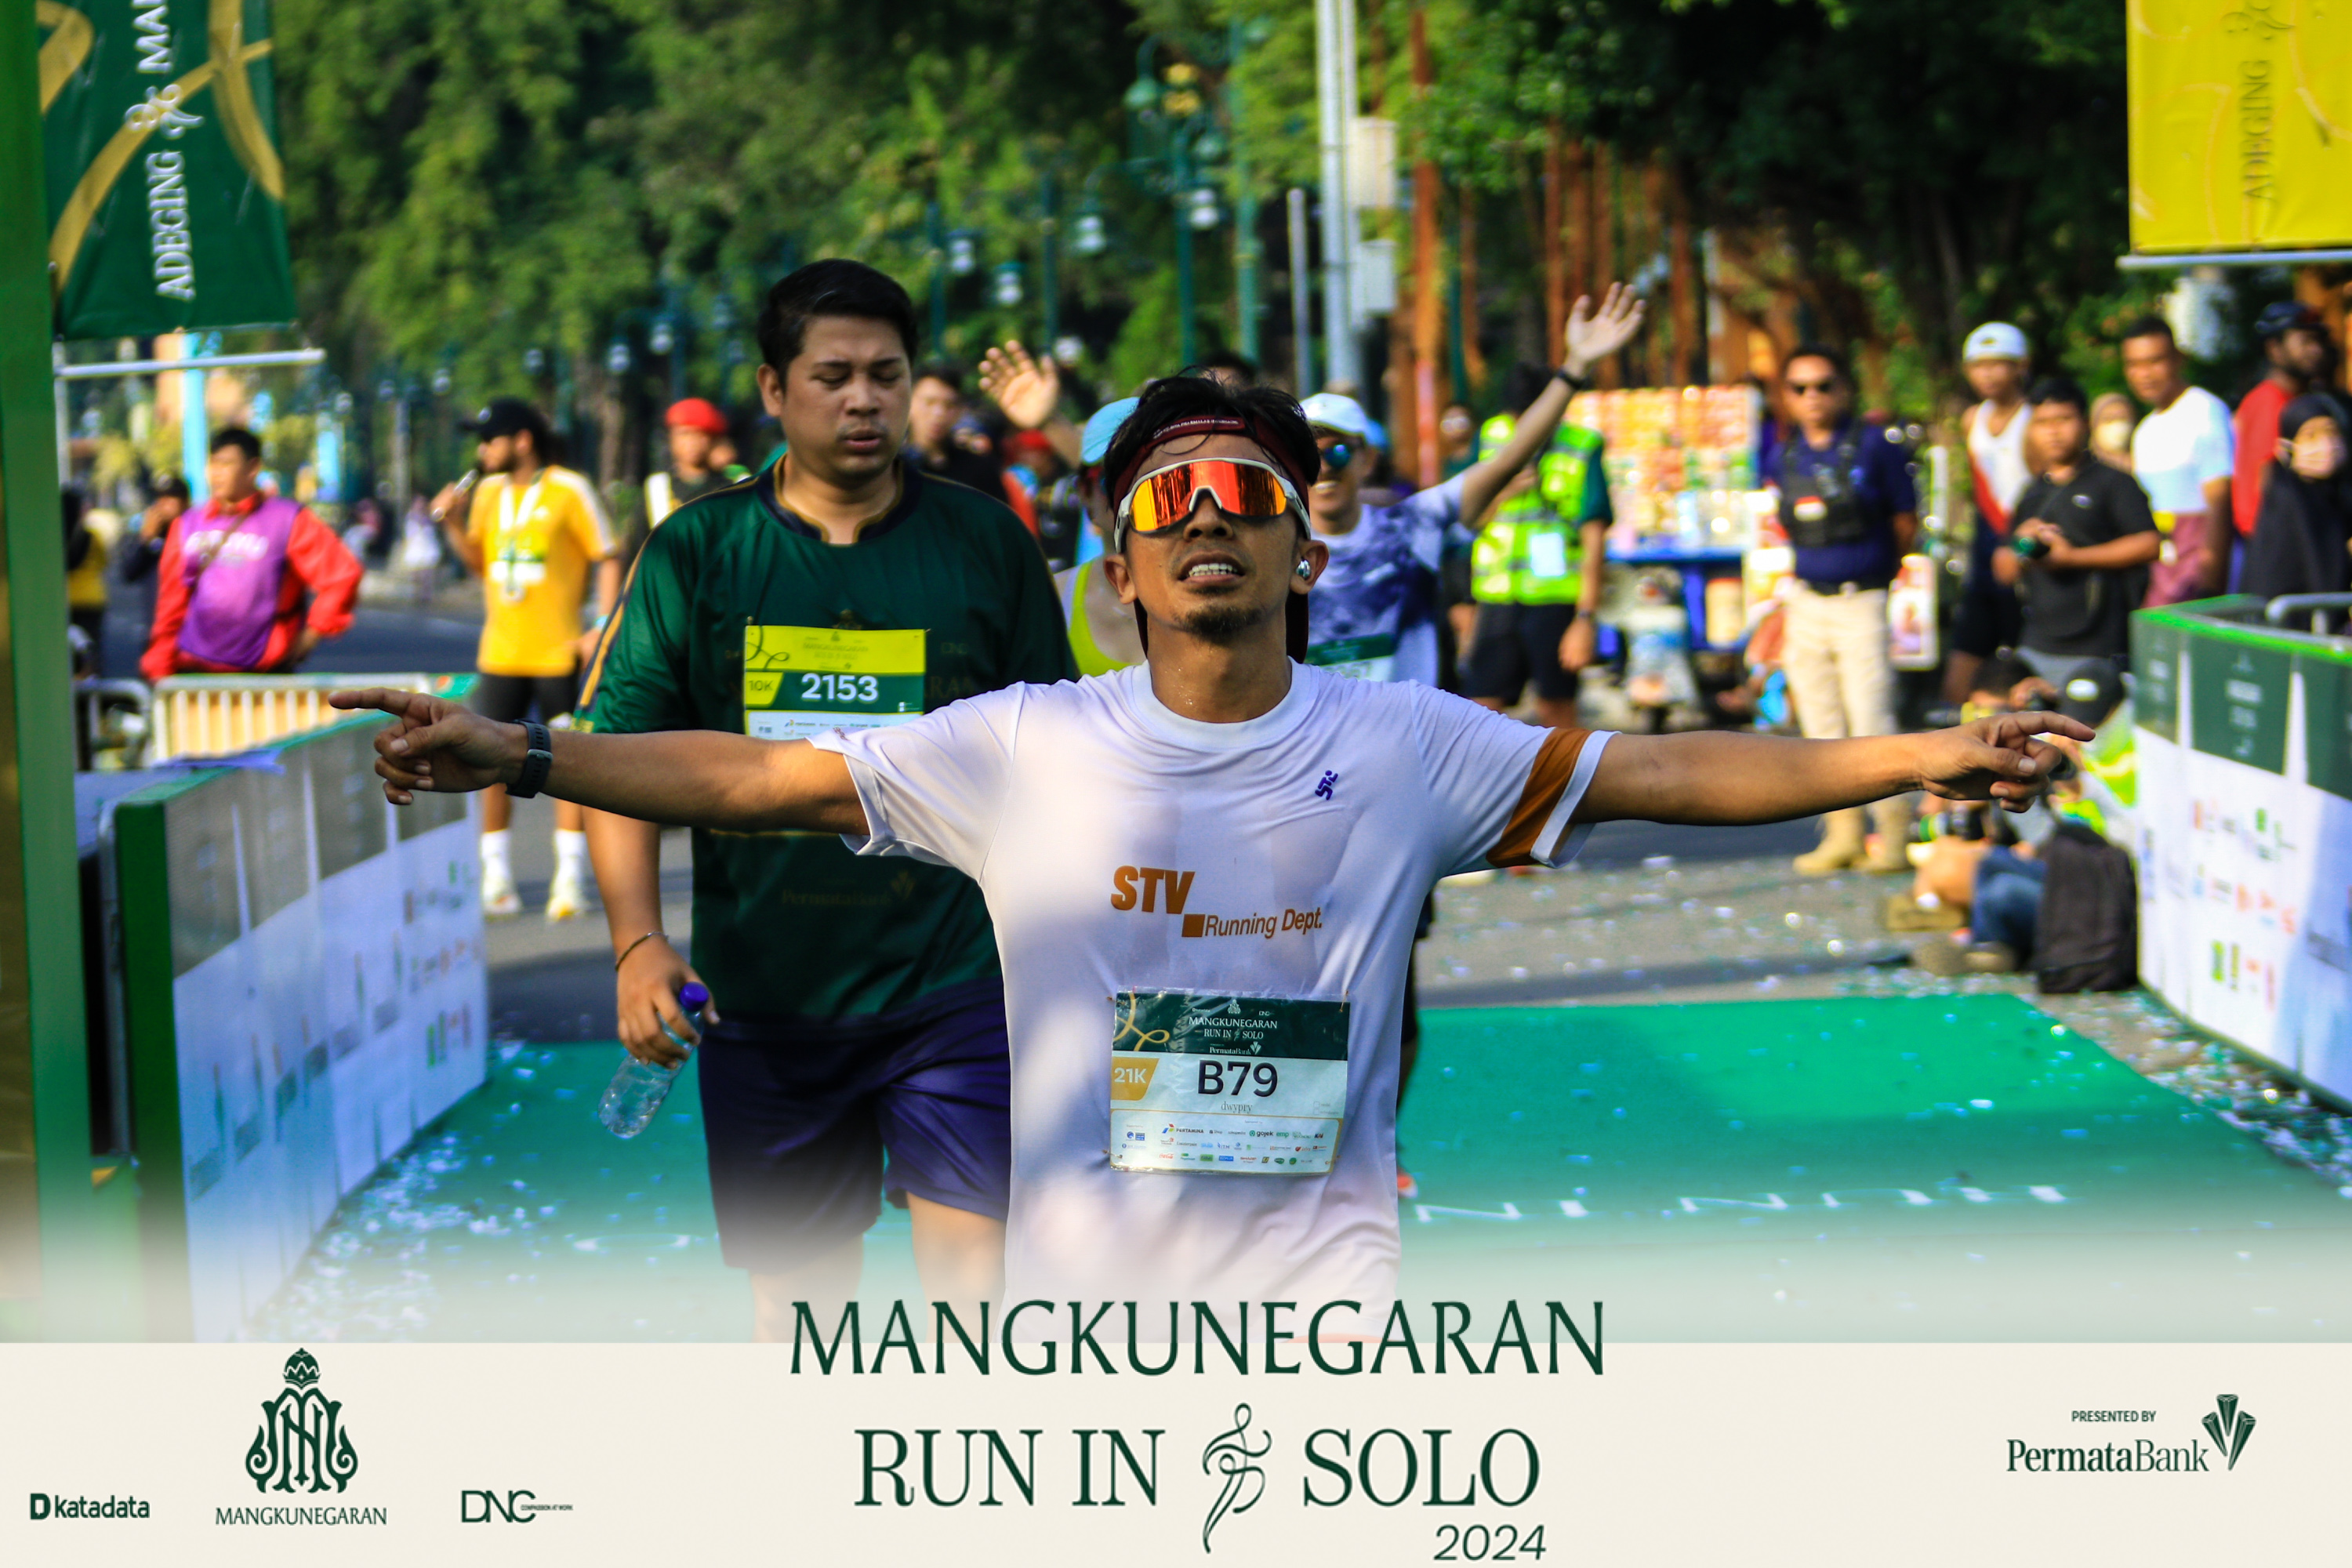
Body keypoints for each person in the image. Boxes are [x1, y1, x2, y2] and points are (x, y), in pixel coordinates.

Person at [337, 372, 2087, 1319]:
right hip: (1078, 1321)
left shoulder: (1404, 743)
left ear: (1303, 551)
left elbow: (1672, 772)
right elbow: (759, 779)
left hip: (1330, 1305)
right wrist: (527, 751)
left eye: (1245, 493)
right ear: (1116, 566)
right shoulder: (1023, 745)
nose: (1207, 521)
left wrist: (1935, 746)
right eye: (1165, 500)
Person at [575, 260, 1073, 1336]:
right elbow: (619, 758)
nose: (863, 400)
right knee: (798, 1323)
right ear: (773, 387)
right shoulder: (698, 551)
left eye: (886, 376)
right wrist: (636, 943)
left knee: (973, 1305)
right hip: (766, 1000)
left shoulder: (987, 542)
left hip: (960, 987)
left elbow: (1058, 759)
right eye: (833, 376)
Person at [1300, 286, 1646, 1200]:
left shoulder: (1410, 528)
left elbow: (1509, 459)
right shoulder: (1265, 547)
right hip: (1291, 801)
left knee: (1389, 992)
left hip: (1389, 803)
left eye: (1340, 450)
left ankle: (1373, 1145)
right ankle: (1291, 1148)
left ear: (1367, 457)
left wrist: (1573, 372)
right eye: (1307, 452)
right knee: (1295, 987)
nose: (1325, 467)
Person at [431, 397, 619, 922]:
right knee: (487, 760)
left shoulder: (569, 489)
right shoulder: (488, 493)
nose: (482, 450)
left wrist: (601, 626)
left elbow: (607, 554)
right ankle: (496, 877)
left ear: (522, 441)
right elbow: (481, 563)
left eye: (490, 439)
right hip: (502, 650)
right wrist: (454, 524)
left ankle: (570, 878)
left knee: (568, 763)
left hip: (558, 650)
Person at [1771, 344, 1920, 875]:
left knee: (1871, 717)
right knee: (1820, 725)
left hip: (1862, 598)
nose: (1813, 397)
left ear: (1844, 390)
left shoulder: (1874, 445)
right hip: (1807, 599)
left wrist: (1883, 572)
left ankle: (1895, 834)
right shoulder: (1785, 454)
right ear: (1787, 396)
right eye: (1800, 388)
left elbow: (1905, 519)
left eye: (1824, 385)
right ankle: (1842, 835)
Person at [1457, 361, 1617, 731]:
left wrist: (1585, 619)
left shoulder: (1582, 445)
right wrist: (1505, 489)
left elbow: (1594, 540)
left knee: (1555, 708)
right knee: (1480, 709)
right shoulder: (1492, 437)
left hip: (1555, 600)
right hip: (1497, 597)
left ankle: (1568, 771)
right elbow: (1466, 517)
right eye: (1518, 418)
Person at [140, 429, 361, 684]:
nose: (217, 473)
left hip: (264, 680)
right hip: (195, 677)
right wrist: (160, 668)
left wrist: (310, 636)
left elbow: (342, 575)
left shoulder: (287, 519)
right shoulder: (188, 525)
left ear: (252, 468)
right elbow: (171, 605)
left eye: (227, 464)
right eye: (213, 464)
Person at [1991, 378, 2160, 676]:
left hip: (2100, 645)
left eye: (2064, 419)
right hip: (2036, 643)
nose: (2053, 431)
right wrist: (2023, 544)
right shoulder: (2030, 494)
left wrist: (2072, 558)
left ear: (2084, 423)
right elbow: (2003, 570)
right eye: (2043, 422)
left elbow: (2149, 544)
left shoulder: (2114, 482)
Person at [1946, 321, 2032, 702]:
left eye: (1998, 364)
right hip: (1985, 549)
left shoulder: (2034, 419)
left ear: (2020, 366)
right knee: (1960, 673)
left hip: (2024, 549)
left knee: (2023, 670)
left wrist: (2019, 544)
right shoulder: (1972, 420)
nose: (1988, 374)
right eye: (1979, 366)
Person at [2121, 316, 2234, 604]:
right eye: (2134, 364)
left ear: (2178, 359)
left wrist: (2210, 588)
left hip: (2197, 584)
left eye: (2154, 361)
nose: (2145, 374)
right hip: (2163, 581)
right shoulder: (2144, 430)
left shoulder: (2205, 411)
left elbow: (2219, 503)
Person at [2233, 302, 2336, 543]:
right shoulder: (2271, 402)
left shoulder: (2296, 399)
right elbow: (2266, 482)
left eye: (2318, 341)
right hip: (2274, 540)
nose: (2316, 350)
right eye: (2305, 342)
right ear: (2274, 349)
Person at [2242, 394, 2352, 612]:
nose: (2325, 444)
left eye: (2331, 432)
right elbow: (2316, 564)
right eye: (2310, 436)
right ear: (2288, 447)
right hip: (2292, 618)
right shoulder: (2286, 494)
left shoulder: (2337, 492)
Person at [632, 397, 733, 561]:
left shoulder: (731, 488)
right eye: (685, 434)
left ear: (713, 440)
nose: (692, 442)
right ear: (671, 438)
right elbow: (637, 547)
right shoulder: (656, 489)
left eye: (700, 434)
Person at [2088, 394, 2137, 472]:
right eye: (2108, 419)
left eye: (2123, 418)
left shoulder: (2145, 461)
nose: (2117, 425)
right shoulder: (2085, 465)